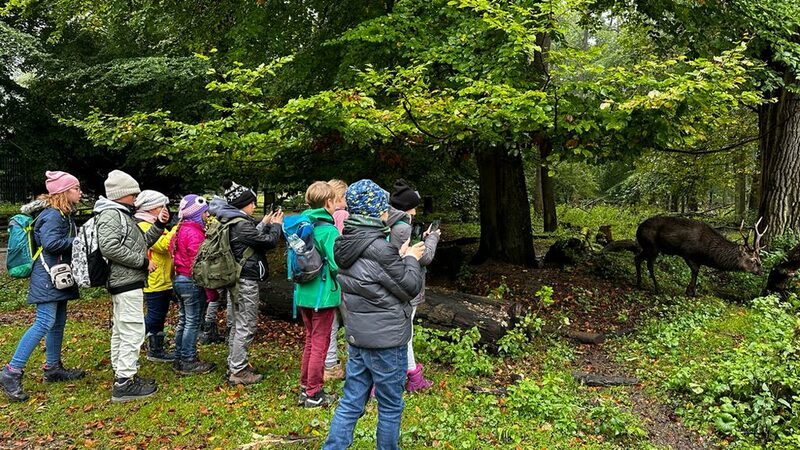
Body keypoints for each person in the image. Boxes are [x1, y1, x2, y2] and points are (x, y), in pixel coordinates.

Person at [323, 179, 425, 450]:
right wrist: (411, 258)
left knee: (351, 400)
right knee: (391, 406)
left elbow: (375, 278)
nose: (386, 213)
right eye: (383, 208)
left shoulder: (344, 244)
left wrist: (398, 257)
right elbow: (409, 287)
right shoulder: (380, 248)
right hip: (387, 339)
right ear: (377, 212)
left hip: (358, 337)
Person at [1, 171, 86, 402]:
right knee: (44, 322)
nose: (80, 192)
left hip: (57, 275)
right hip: (48, 276)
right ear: (64, 192)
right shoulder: (53, 215)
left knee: (57, 323)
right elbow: (51, 244)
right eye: (76, 188)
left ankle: (53, 367)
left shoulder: (63, 214)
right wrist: (80, 241)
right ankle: (11, 371)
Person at [95, 170, 169, 402]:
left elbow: (139, 243)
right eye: (133, 194)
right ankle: (125, 381)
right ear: (121, 194)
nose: (136, 198)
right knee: (132, 328)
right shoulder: (111, 215)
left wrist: (158, 225)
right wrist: (143, 262)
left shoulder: (121, 214)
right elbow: (109, 247)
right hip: (124, 280)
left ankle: (122, 373)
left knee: (122, 328)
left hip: (128, 279)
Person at [217, 180, 283, 386]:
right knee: (246, 324)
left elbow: (252, 236)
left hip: (236, 279)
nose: (254, 206)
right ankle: (238, 370)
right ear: (243, 204)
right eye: (251, 203)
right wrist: (277, 227)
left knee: (237, 323)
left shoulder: (231, 220)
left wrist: (264, 223)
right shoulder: (242, 225)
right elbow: (267, 242)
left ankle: (235, 363)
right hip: (245, 280)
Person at [386, 179, 441, 392]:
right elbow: (424, 257)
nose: (416, 212)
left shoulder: (390, 223)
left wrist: (423, 237)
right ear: (407, 207)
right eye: (414, 207)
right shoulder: (403, 228)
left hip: (393, 284)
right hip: (407, 285)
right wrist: (433, 239)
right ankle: (412, 377)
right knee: (405, 332)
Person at [295, 182, 341, 408]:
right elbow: (336, 264)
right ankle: (314, 393)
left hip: (303, 293)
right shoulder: (328, 230)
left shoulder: (300, 225)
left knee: (310, 341)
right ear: (328, 203)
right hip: (323, 295)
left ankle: (305, 387)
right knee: (320, 343)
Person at [168, 194, 217, 375]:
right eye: (204, 213)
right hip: (191, 281)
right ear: (196, 214)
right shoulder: (194, 232)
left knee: (184, 320)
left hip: (179, 279)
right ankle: (188, 360)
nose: (207, 216)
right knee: (193, 321)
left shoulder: (180, 230)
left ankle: (179, 356)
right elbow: (200, 261)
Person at [134, 190, 177, 363]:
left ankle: (156, 350)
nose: (164, 209)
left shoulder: (152, 222)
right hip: (154, 279)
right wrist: (178, 227)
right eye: (161, 206)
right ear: (151, 208)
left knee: (159, 317)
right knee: (153, 318)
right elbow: (164, 245)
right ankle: (131, 346)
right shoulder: (144, 225)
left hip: (164, 278)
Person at [324, 179, 349, 382]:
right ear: (340, 197)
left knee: (330, 326)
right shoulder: (344, 216)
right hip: (345, 278)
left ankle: (330, 365)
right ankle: (354, 363)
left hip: (327, 283)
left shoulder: (324, 218)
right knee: (352, 324)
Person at [198, 196, 231, 345]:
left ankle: (208, 329)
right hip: (225, 266)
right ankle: (230, 330)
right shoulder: (226, 224)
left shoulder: (210, 224)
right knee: (230, 298)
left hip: (212, 267)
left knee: (214, 299)